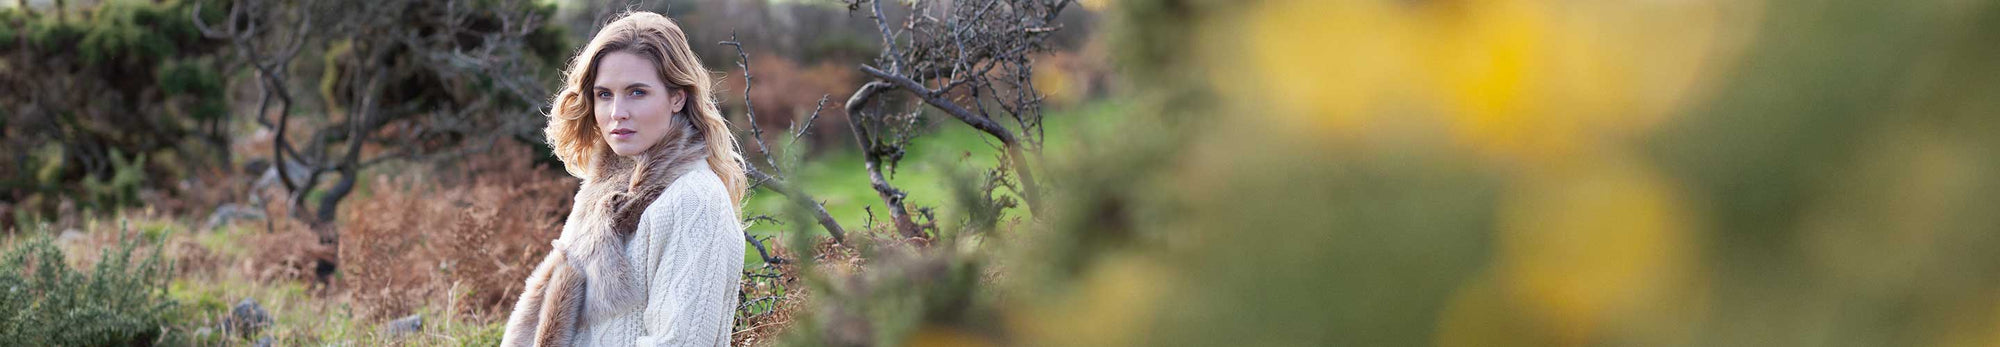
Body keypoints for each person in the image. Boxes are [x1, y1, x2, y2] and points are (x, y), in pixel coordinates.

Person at [501, 11, 748, 347]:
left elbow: (681, 342)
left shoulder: (694, 200)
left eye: (637, 92)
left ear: (677, 97)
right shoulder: (602, 193)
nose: (617, 112)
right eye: (604, 94)